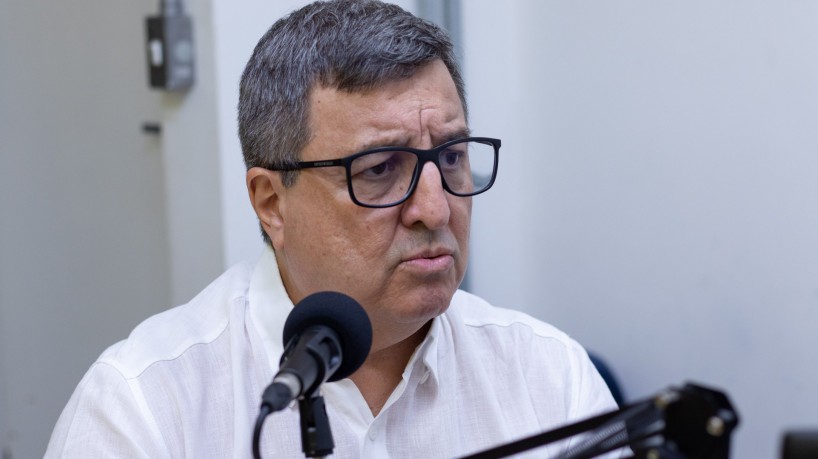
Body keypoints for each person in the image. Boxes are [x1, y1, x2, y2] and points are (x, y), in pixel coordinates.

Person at [46, 1, 619, 457]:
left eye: (450, 158)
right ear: (271, 202)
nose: (436, 209)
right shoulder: (144, 407)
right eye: (380, 169)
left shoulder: (551, 379)